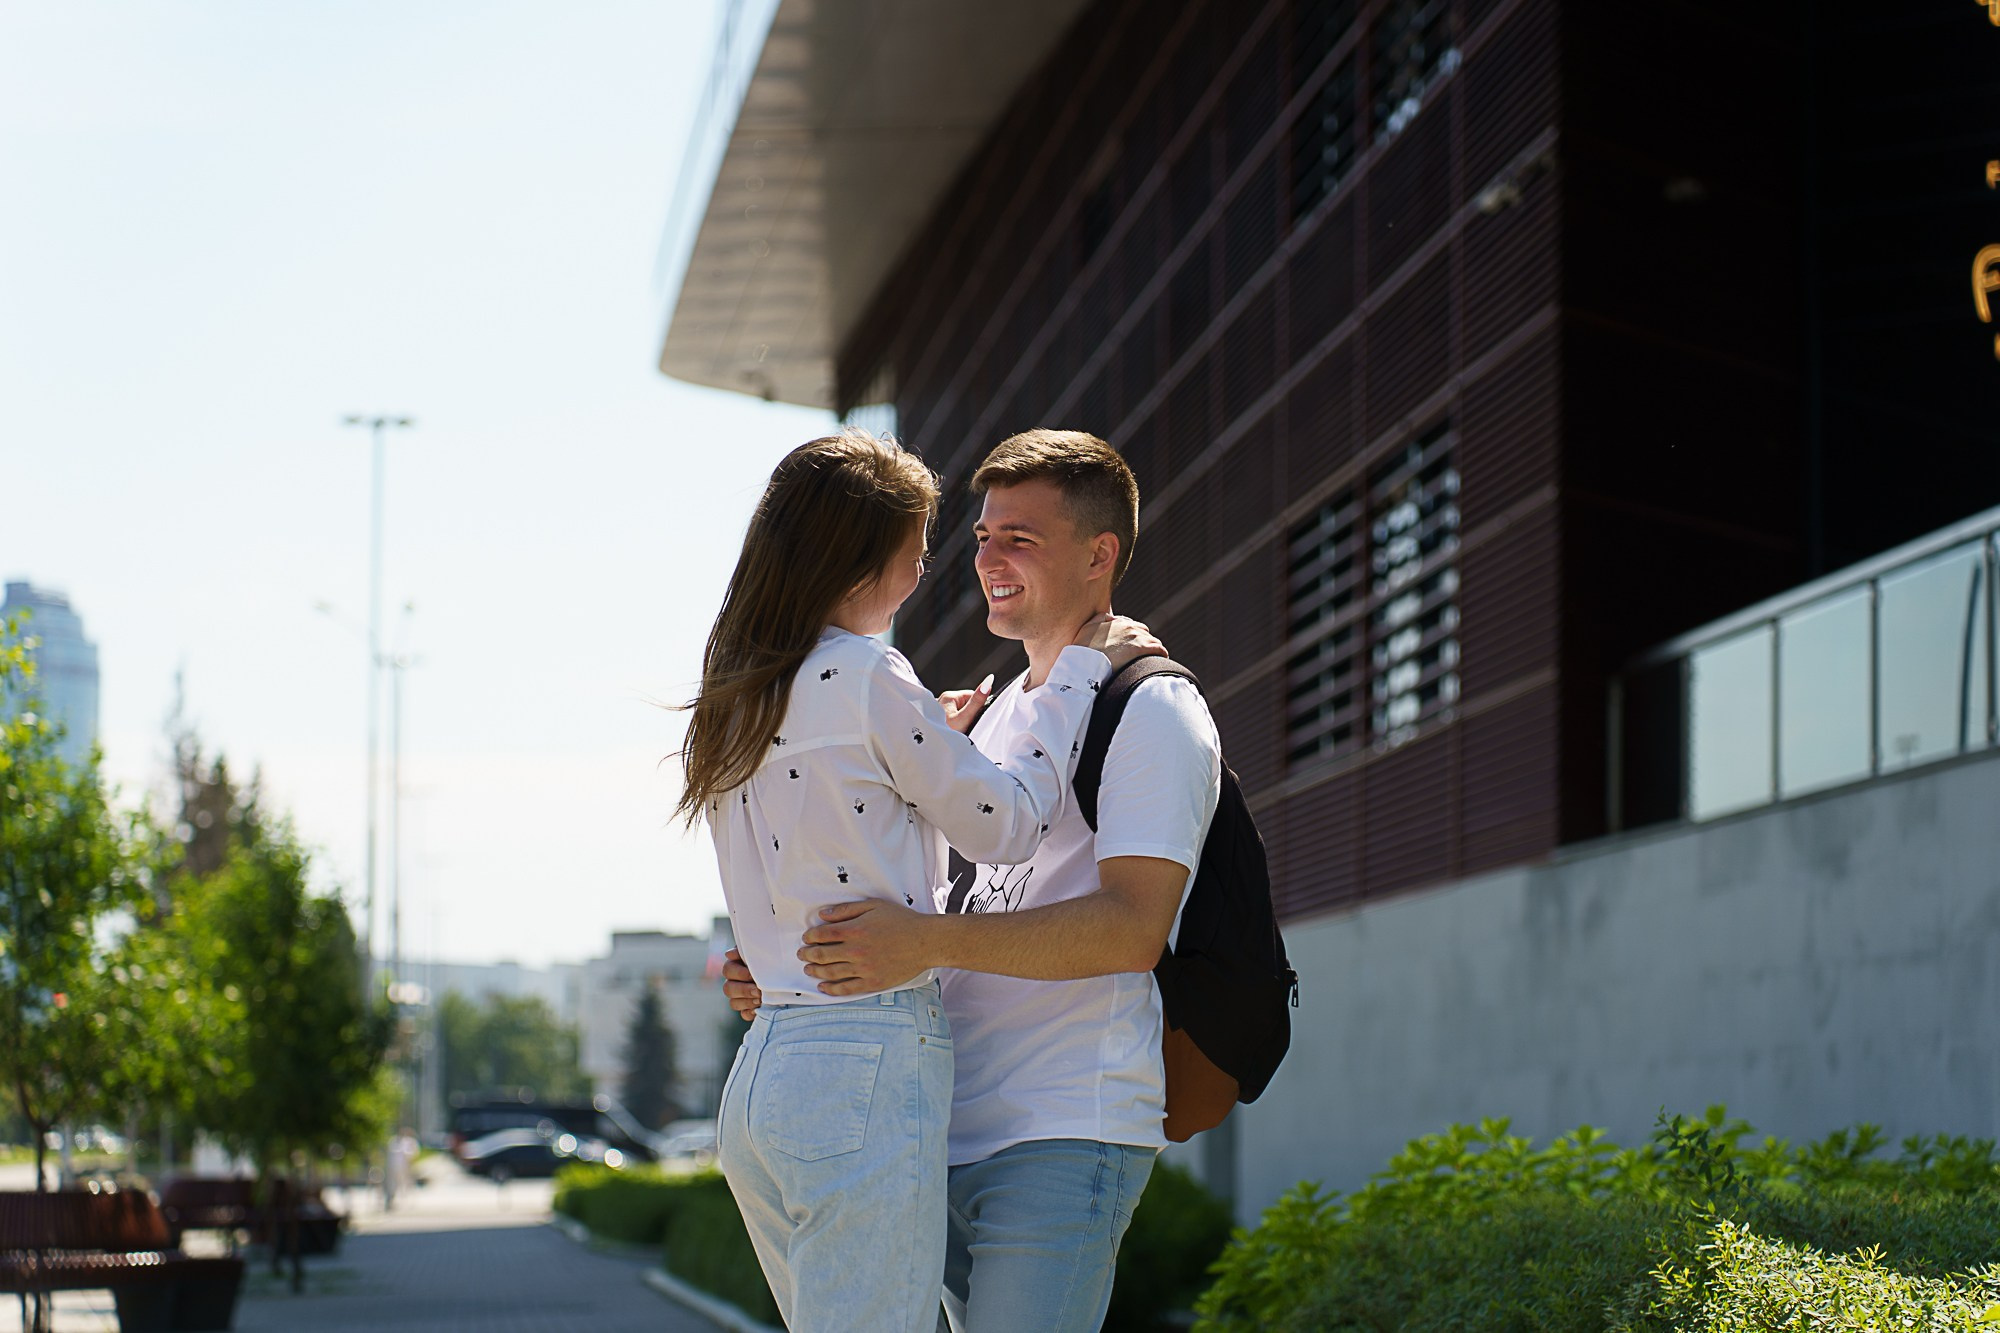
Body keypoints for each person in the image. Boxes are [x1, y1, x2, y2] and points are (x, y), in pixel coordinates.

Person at [725, 429, 1222, 1333]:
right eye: (984, 534)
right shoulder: (988, 724)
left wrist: (922, 944)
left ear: (1099, 554)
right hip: (938, 1122)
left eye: (1020, 538)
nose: (985, 557)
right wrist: (804, 959)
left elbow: (1130, 930)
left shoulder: (1149, 707)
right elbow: (910, 884)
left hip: (1063, 1128)